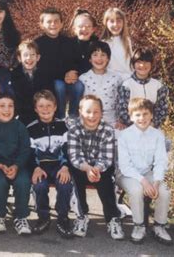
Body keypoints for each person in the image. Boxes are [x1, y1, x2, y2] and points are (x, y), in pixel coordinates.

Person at [66, 95, 124, 240]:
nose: (92, 116)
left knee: (106, 181)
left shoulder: (107, 130)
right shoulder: (74, 130)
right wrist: (87, 169)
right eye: (88, 111)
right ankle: (82, 216)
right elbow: (74, 156)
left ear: (101, 113)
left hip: (101, 168)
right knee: (75, 176)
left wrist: (96, 169)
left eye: (96, 112)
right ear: (80, 112)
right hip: (81, 166)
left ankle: (112, 219)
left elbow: (107, 158)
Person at [117, 98, 171, 244]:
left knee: (164, 192)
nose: (142, 118)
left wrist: (157, 182)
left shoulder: (158, 135)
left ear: (152, 115)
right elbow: (125, 165)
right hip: (126, 174)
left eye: (146, 114)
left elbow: (160, 161)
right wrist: (144, 182)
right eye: (138, 115)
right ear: (131, 117)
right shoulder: (124, 135)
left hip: (148, 173)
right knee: (136, 190)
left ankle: (159, 226)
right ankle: (139, 226)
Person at [28, 90, 74, 239]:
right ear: (35, 109)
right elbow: (30, 153)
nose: (45, 109)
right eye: (41, 106)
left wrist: (66, 166)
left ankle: (63, 217)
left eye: (49, 105)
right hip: (40, 166)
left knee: (65, 184)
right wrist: (35, 168)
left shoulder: (64, 126)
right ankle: (43, 216)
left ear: (55, 107)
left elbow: (67, 149)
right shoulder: (31, 128)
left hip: (60, 166)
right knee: (40, 185)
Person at [0, 92, 32, 235]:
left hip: (17, 165)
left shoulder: (20, 127)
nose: (7, 110)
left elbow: (26, 149)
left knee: (23, 181)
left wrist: (17, 165)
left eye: (10, 106)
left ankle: (20, 216)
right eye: (2, 106)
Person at [35, 8, 84, 119]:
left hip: (69, 80)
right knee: (59, 85)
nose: (53, 24)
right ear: (42, 25)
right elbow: (43, 68)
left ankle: (73, 115)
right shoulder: (38, 44)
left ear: (62, 24)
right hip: (50, 82)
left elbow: (78, 61)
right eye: (49, 21)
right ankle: (60, 117)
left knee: (79, 86)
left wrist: (75, 73)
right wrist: (63, 76)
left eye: (56, 21)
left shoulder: (69, 42)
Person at [117, 48, 168, 129]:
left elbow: (162, 109)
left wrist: (152, 124)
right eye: (139, 62)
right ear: (133, 64)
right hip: (131, 128)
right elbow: (122, 110)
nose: (142, 65)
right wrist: (137, 126)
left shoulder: (159, 86)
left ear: (151, 64)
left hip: (153, 128)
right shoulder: (126, 85)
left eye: (146, 62)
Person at [79, 41, 122, 127]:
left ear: (108, 59)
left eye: (103, 55)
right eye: (95, 55)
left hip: (112, 121)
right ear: (90, 59)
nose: (99, 59)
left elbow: (120, 101)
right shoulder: (83, 78)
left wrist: (120, 119)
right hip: (90, 121)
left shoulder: (116, 78)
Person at [10, 39, 44, 126]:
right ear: (19, 58)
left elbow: (47, 94)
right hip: (24, 112)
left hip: (41, 110)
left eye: (32, 55)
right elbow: (18, 98)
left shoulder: (44, 73)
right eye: (25, 55)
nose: (29, 58)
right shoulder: (15, 75)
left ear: (38, 57)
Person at [101, 7, 133, 79]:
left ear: (123, 23)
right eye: (112, 21)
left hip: (129, 78)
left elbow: (130, 65)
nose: (115, 24)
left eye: (119, 21)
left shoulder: (127, 40)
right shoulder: (103, 43)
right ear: (106, 23)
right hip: (112, 79)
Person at [69, 8, 100, 75]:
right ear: (74, 29)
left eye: (88, 26)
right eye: (80, 26)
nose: (84, 29)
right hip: (74, 78)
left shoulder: (98, 44)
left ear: (93, 29)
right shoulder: (69, 44)